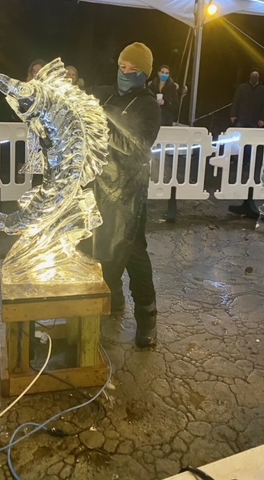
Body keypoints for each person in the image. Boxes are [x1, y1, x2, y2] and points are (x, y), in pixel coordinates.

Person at [90, 42, 161, 348]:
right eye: (122, 66)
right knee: (97, 246)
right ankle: (113, 298)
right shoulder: (104, 94)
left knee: (133, 252)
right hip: (99, 187)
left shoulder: (148, 106)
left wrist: (101, 124)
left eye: (133, 69)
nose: (126, 72)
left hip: (130, 192)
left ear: (144, 74)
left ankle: (147, 317)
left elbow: (137, 145)